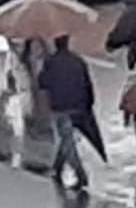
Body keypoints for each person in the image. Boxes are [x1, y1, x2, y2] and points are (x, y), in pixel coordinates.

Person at [37, 34, 95, 192]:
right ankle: (57, 167)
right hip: (78, 105)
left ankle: (81, 175)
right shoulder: (78, 61)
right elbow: (88, 84)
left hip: (60, 106)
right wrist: (88, 104)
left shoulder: (50, 62)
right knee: (66, 138)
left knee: (67, 140)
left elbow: (42, 83)